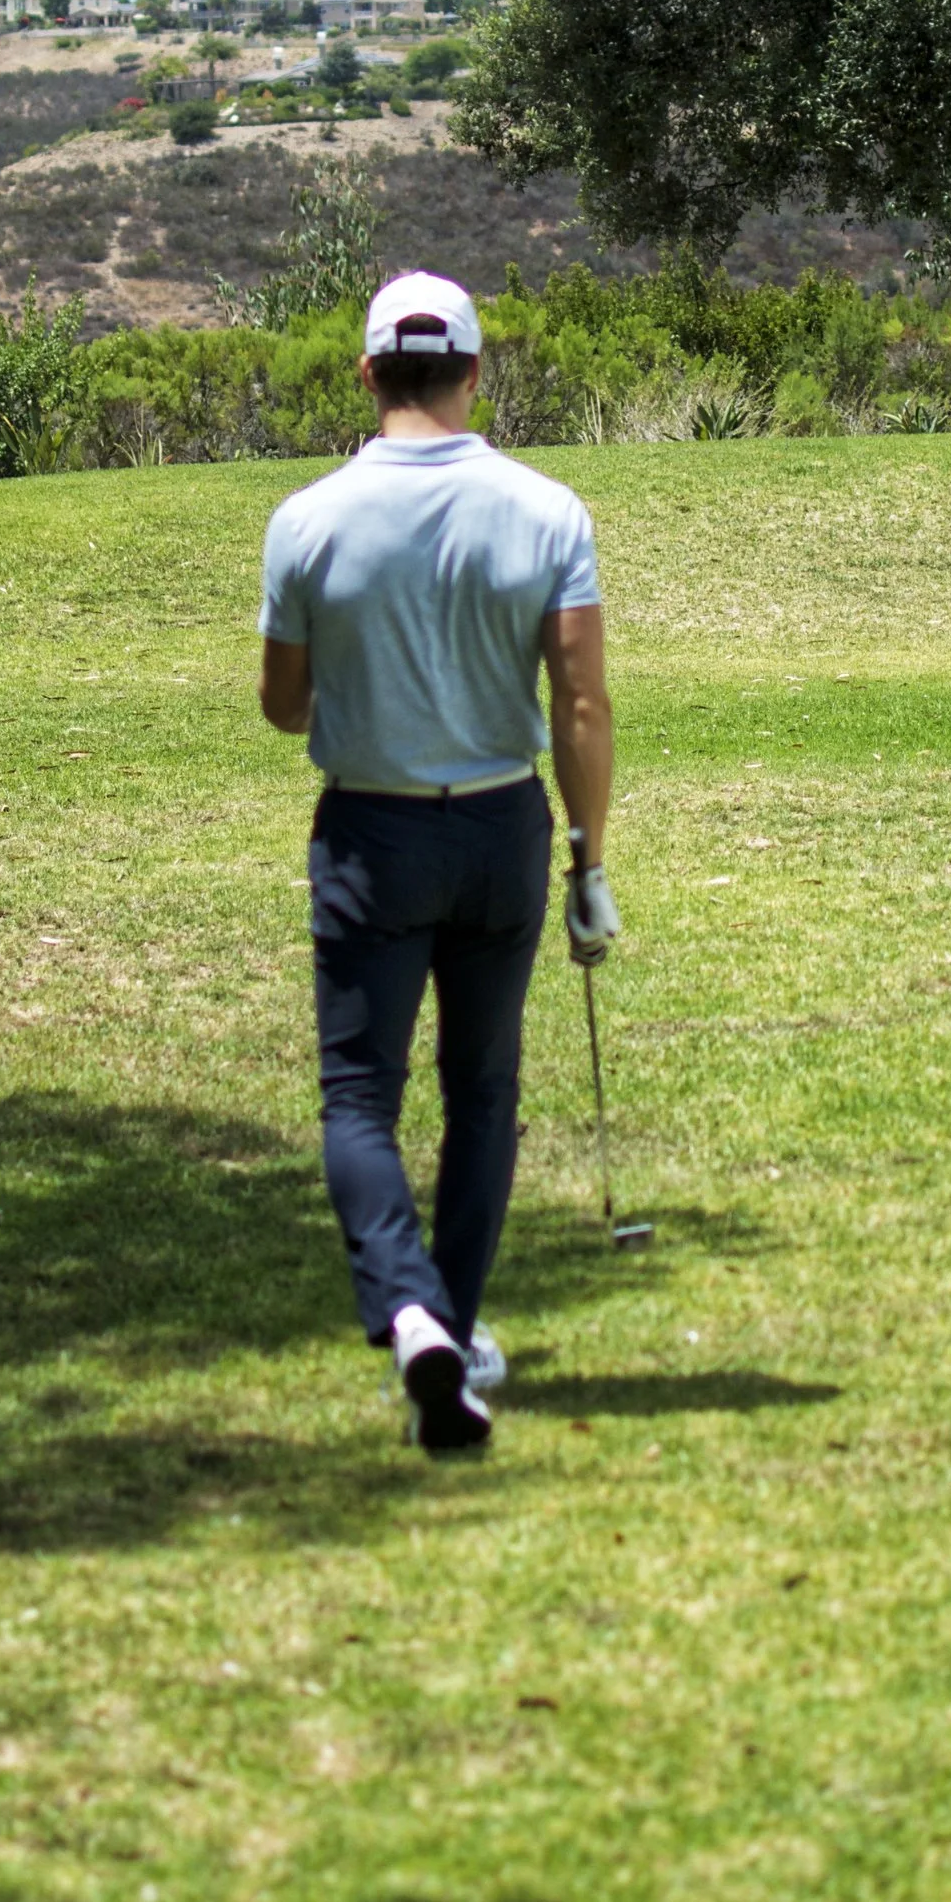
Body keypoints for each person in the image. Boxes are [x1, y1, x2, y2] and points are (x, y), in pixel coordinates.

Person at [257, 270, 621, 1454]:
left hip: (372, 829)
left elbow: (280, 705)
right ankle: (451, 1331)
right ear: (476, 369)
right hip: (503, 830)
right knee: (484, 1093)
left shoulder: (307, 519)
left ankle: (410, 1313)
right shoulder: (547, 510)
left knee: (361, 1093)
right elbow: (579, 702)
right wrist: (588, 859)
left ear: (366, 372)